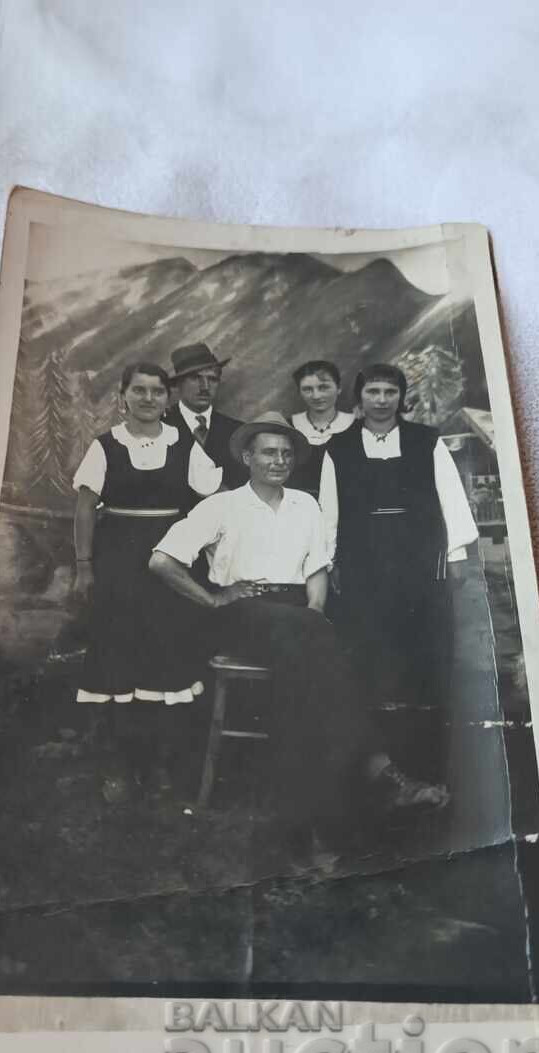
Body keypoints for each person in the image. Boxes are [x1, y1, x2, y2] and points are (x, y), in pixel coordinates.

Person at [149, 411, 449, 857]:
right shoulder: (221, 505)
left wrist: (314, 611)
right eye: (269, 452)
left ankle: (309, 817)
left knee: (304, 675)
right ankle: (378, 776)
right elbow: (161, 560)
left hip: (297, 617)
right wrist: (214, 599)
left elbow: (316, 571)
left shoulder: (307, 505)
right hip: (244, 611)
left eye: (286, 454)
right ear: (247, 457)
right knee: (319, 653)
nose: (279, 460)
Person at [319, 362, 478, 709]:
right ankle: (376, 716)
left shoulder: (426, 441)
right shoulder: (339, 447)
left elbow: (451, 498)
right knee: (369, 633)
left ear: (401, 397)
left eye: (390, 392)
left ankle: (425, 713)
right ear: (359, 397)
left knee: (423, 632)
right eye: (373, 391)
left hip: (419, 555)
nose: (381, 400)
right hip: (363, 556)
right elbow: (329, 510)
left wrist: (456, 555)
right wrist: (330, 562)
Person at [72, 360, 216, 713]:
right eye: (138, 390)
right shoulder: (105, 445)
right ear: (123, 396)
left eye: (157, 391)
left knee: (167, 634)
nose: (148, 398)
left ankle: (162, 740)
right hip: (117, 557)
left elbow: (215, 496)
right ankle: (121, 735)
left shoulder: (184, 444)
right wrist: (84, 566)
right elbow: (85, 508)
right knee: (119, 635)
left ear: (168, 398)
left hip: (170, 559)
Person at [164, 342, 247, 499]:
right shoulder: (160, 426)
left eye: (212, 379)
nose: (205, 386)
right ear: (178, 384)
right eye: (195, 378)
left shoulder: (237, 431)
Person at [288, 359, 354, 498]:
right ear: (299, 392)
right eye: (307, 389)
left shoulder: (357, 425)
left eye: (323, 387)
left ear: (339, 388)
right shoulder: (288, 427)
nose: (316, 395)